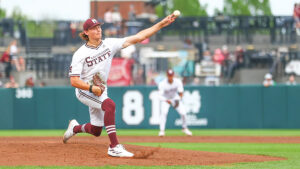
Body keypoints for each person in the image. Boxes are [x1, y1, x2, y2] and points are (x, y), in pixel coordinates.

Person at [64, 14, 178, 157]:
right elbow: (74, 81)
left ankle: (74, 128)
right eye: (94, 28)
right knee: (110, 105)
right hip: (85, 90)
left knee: (96, 130)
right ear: (86, 32)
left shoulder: (109, 44)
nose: (98, 30)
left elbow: (138, 37)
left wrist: (161, 24)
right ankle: (114, 146)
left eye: (99, 27)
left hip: (100, 89)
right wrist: (92, 88)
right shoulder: (80, 54)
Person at [157, 69, 192, 137]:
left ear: (173, 75)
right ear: (167, 75)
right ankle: (162, 131)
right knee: (164, 113)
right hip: (165, 99)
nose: (170, 77)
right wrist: (166, 100)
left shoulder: (178, 82)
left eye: (171, 75)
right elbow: (159, 96)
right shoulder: (162, 83)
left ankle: (184, 128)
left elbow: (181, 93)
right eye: (169, 75)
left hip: (175, 98)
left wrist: (178, 100)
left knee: (183, 113)